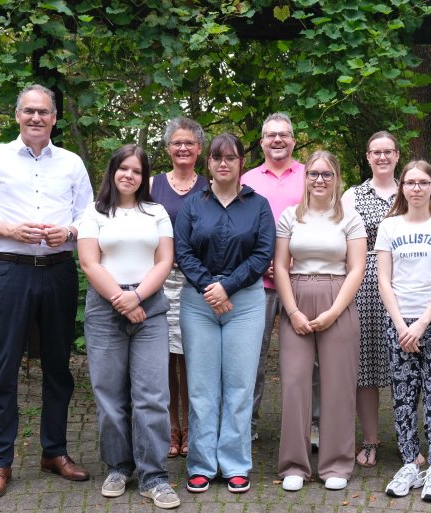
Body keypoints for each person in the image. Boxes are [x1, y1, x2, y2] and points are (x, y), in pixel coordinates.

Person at [0, 84, 92, 500]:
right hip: (10, 271)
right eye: (29, 111)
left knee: (58, 367)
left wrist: (68, 231)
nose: (36, 118)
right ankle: (0, 462)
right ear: (17, 115)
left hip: (58, 272)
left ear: (54, 118)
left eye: (44, 112)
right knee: (3, 368)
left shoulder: (71, 164)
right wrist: (10, 229)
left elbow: (89, 217)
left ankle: (54, 452)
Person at [78, 144, 180, 509]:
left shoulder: (156, 211)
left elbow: (165, 259)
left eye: (136, 171)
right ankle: (118, 467)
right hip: (105, 309)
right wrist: (120, 300)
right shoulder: (93, 212)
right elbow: (90, 263)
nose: (129, 176)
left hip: (148, 305)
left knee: (152, 395)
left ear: (144, 177)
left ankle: (154, 476)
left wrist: (136, 298)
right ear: (112, 172)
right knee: (110, 396)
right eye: (123, 169)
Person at [175, 133, 275, 494]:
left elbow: (263, 253)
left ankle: (234, 464)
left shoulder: (258, 205)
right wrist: (209, 287)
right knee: (201, 388)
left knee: (239, 386)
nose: (223, 164)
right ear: (209, 163)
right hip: (199, 303)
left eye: (230, 158)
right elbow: (182, 251)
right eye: (217, 158)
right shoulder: (192, 205)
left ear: (241, 163)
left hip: (245, 303)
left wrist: (227, 287)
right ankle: (201, 464)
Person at [275, 151, 367, 492]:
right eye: (313, 173)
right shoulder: (289, 216)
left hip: (337, 298)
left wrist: (333, 312)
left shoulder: (349, 218)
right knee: (295, 382)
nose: (319, 180)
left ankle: (336, 464)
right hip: (296, 296)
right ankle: (295, 464)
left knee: (338, 384)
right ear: (305, 177)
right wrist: (293, 311)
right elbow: (281, 266)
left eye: (326, 174)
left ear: (336, 177)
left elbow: (357, 268)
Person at [377, 160, 431, 503]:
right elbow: (383, 278)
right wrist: (401, 325)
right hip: (398, 322)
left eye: (422, 182)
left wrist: (422, 323)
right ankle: (411, 462)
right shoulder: (389, 226)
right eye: (409, 182)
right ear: (402, 188)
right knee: (403, 395)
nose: (415, 188)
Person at [241, 113, 318, 448]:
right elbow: (239, 230)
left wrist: (290, 262)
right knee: (250, 358)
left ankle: (313, 424)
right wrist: (262, 264)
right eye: (270, 135)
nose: (277, 140)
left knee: (309, 359)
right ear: (261, 142)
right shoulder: (246, 180)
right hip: (255, 283)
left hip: (300, 279)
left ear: (293, 140)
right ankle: (246, 424)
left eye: (283, 135)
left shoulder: (310, 176)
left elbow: (320, 223)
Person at [150, 116, 209, 459]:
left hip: (196, 282)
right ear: (168, 148)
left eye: (189, 142)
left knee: (191, 358)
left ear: (199, 149)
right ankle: (171, 427)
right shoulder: (153, 185)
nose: (183, 148)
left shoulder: (210, 185)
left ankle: (192, 428)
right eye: (177, 142)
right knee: (164, 357)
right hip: (159, 280)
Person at [341, 131, 399, 468]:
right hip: (364, 287)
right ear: (367, 157)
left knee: (405, 366)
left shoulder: (411, 191)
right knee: (366, 368)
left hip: (404, 285)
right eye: (375, 152)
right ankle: (370, 441)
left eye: (387, 151)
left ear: (396, 155)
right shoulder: (353, 195)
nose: (382, 157)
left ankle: (408, 440)